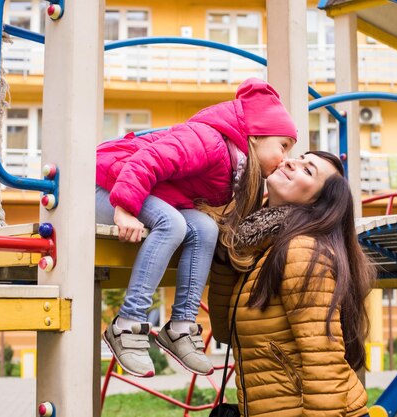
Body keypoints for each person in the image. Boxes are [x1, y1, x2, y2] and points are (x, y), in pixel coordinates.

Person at [96, 78, 297, 378]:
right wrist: (125, 208)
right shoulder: (207, 141)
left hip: (144, 192)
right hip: (105, 182)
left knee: (205, 228)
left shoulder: (236, 168)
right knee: (172, 223)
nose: (285, 158)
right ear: (256, 134)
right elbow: (146, 161)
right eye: (283, 146)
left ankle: (180, 327)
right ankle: (127, 324)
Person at [209, 151, 376, 417]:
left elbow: (322, 360)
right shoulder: (258, 247)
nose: (290, 162)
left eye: (307, 170)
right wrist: (228, 251)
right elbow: (224, 332)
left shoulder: (302, 250)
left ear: (316, 203)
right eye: (298, 158)